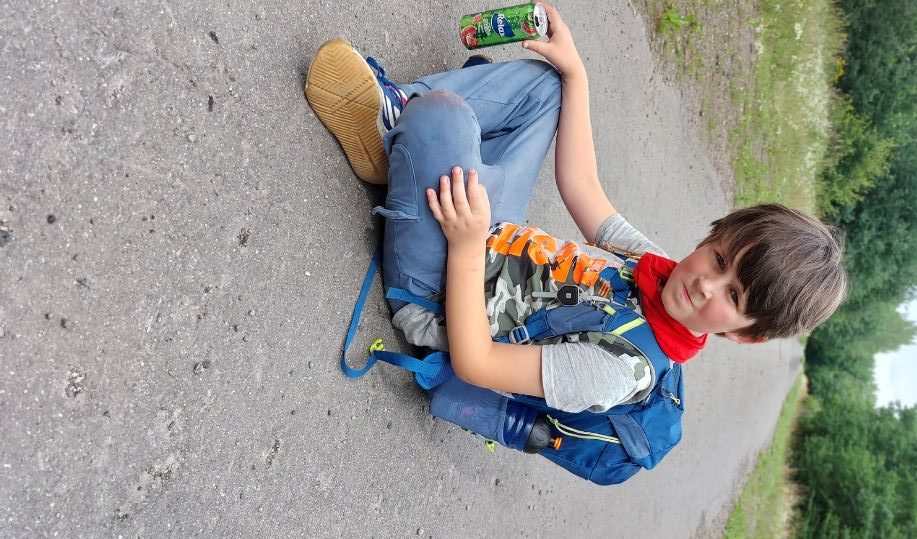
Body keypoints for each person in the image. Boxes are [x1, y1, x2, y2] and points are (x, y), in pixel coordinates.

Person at [304, 3, 846, 413]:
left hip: (441, 292)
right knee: (550, 88)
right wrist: (577, 71)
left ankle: (404, 136)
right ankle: (396, 127)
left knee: (443, 119)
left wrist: (467, 247)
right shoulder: (653, 270)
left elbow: (476, 362)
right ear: (711, 237)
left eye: (733, 296)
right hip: (492, 235)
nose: (707, 284)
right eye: (721, 260)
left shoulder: (623, 369)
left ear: (745, 333)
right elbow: (583, 186)